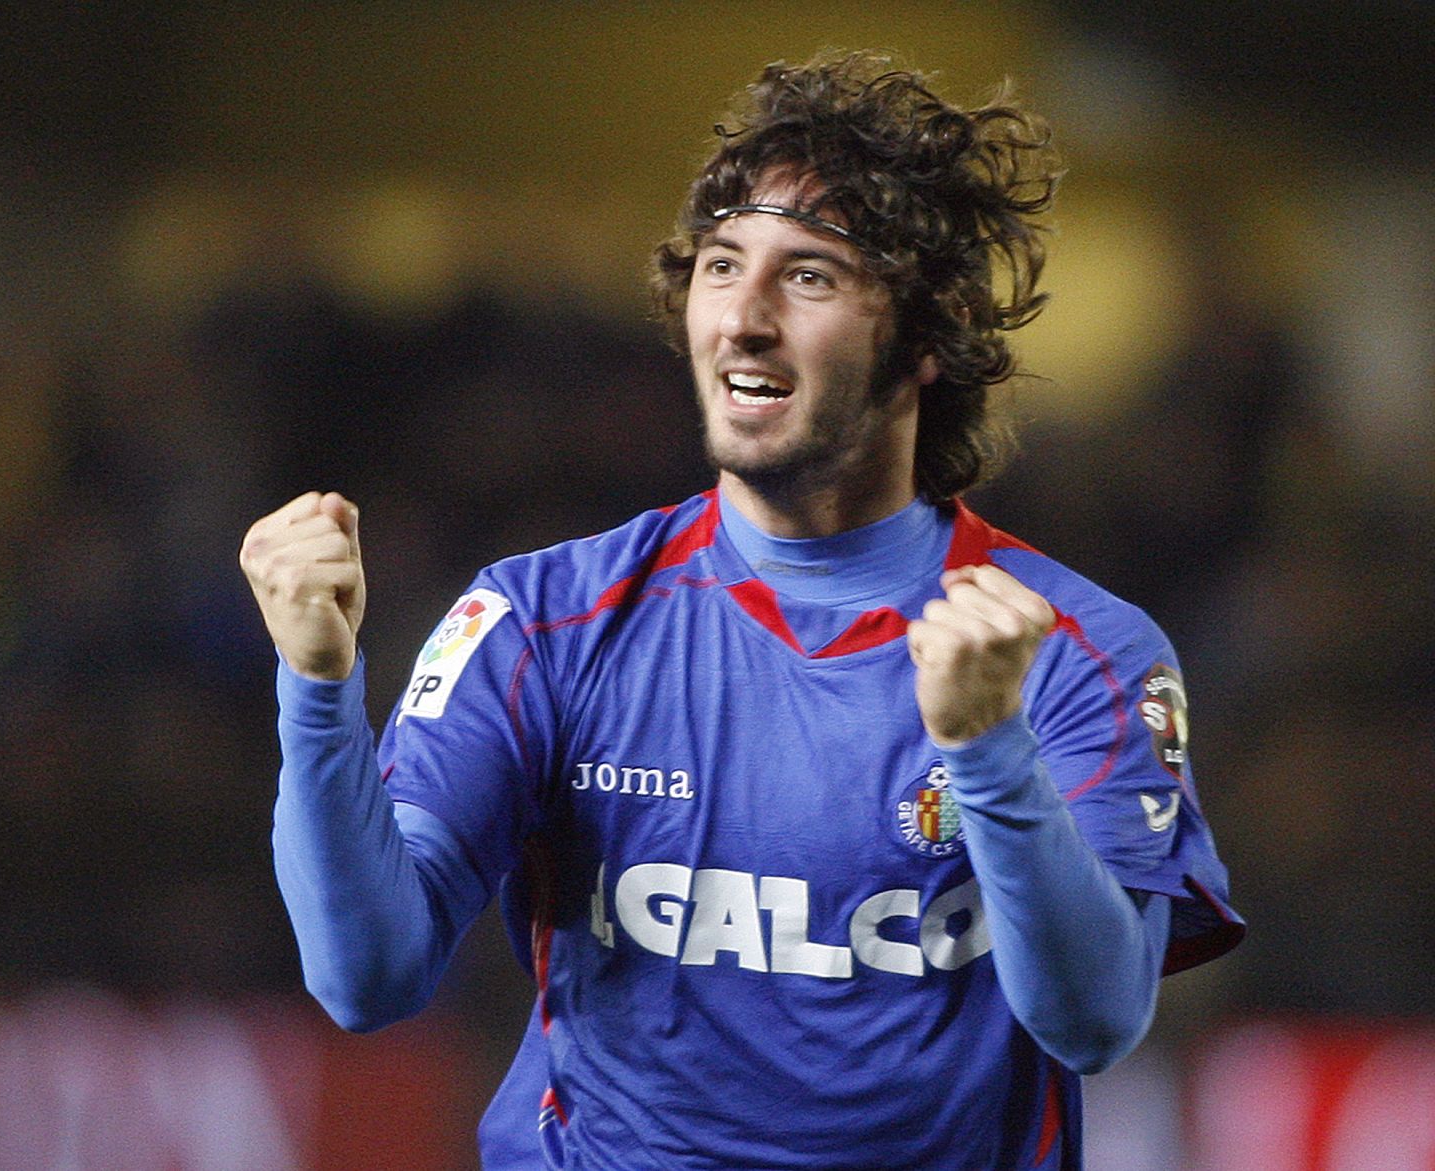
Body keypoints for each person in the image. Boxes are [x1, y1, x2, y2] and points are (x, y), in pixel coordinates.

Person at [240, 51, 1242, 1171]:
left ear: (927, 334)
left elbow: (1096, 1020)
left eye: (809, 277)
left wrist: (988, 752)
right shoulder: (541, 623)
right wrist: (318, 686)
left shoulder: (1073, 653)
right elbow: (365, 975)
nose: (745, 319)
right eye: (723, 267)